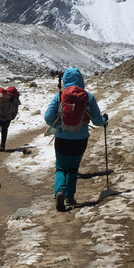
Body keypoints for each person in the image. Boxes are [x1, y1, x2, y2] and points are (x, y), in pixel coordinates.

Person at [44, 68, 107, 212]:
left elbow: (48, 118)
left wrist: (59, 124)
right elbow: (97, 121)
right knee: (73, 168)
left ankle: (59, 191)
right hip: (81, 139)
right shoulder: (88, 97)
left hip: (62, 138)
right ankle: (69, 198)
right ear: (81, 80)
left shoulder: (60, 96)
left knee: (61, 167)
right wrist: (104, 120)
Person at [0, 86, 20, 151]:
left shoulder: (11, 101)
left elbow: (13, 109)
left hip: (7, 117)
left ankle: (2, 146)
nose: (2, 100)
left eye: (4, 99)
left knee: (4, 131)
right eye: (1, 98)